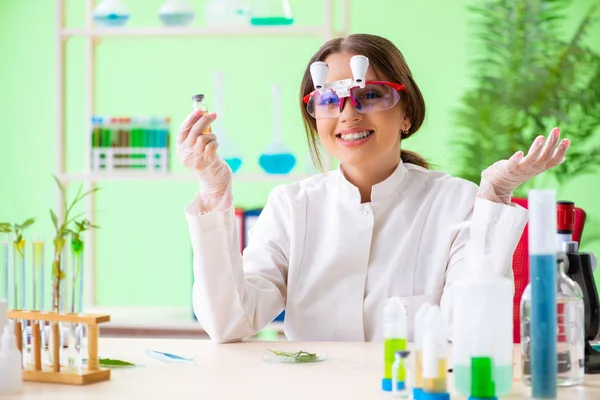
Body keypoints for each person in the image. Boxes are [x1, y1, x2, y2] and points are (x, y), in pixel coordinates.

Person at [177, 34, 570, 343]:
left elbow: (469, 326)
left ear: (407, 113)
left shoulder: (456, 201)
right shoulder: (291, 206)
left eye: (368, 95)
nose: (349, 114)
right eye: (329, 99)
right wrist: (214, 194)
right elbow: (230, 322)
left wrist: (494, 196)